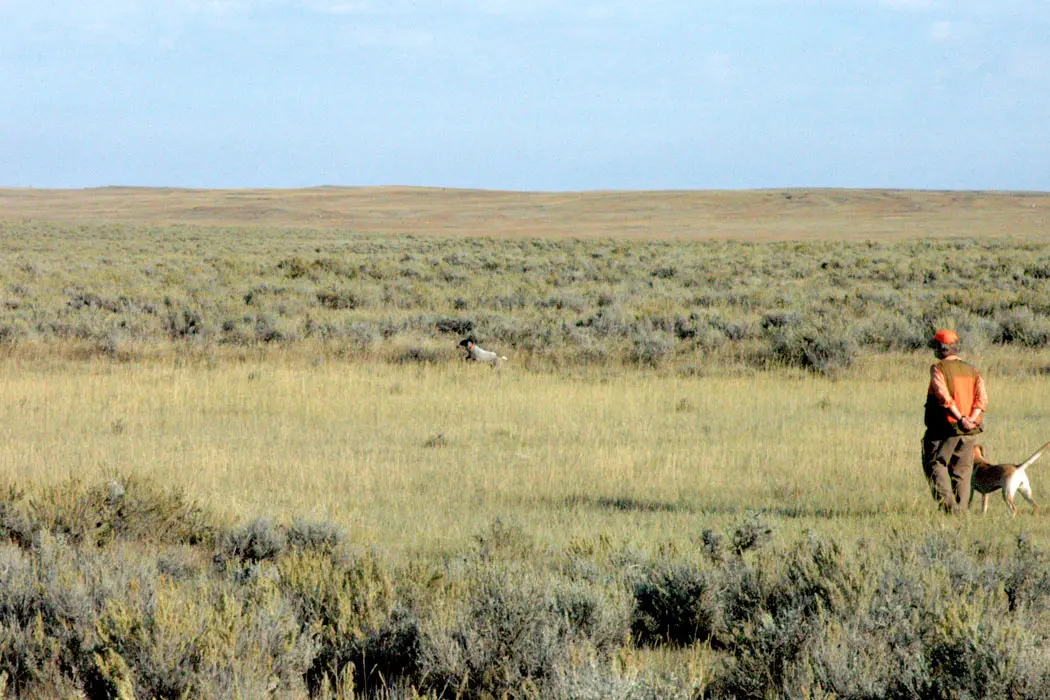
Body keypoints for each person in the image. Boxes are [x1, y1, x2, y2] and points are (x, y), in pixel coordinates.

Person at [922, 329, 988, 514]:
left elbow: (943, 397)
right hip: (969, 431)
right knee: (963, 472)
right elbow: (982, 399)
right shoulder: (972, 370)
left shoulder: (938, 368)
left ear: (942, 348)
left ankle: (951, 508)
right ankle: (962, 512)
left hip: (945, 429)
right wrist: (970, 420)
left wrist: (959, 418)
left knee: (935, 463)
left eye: (936, 346)